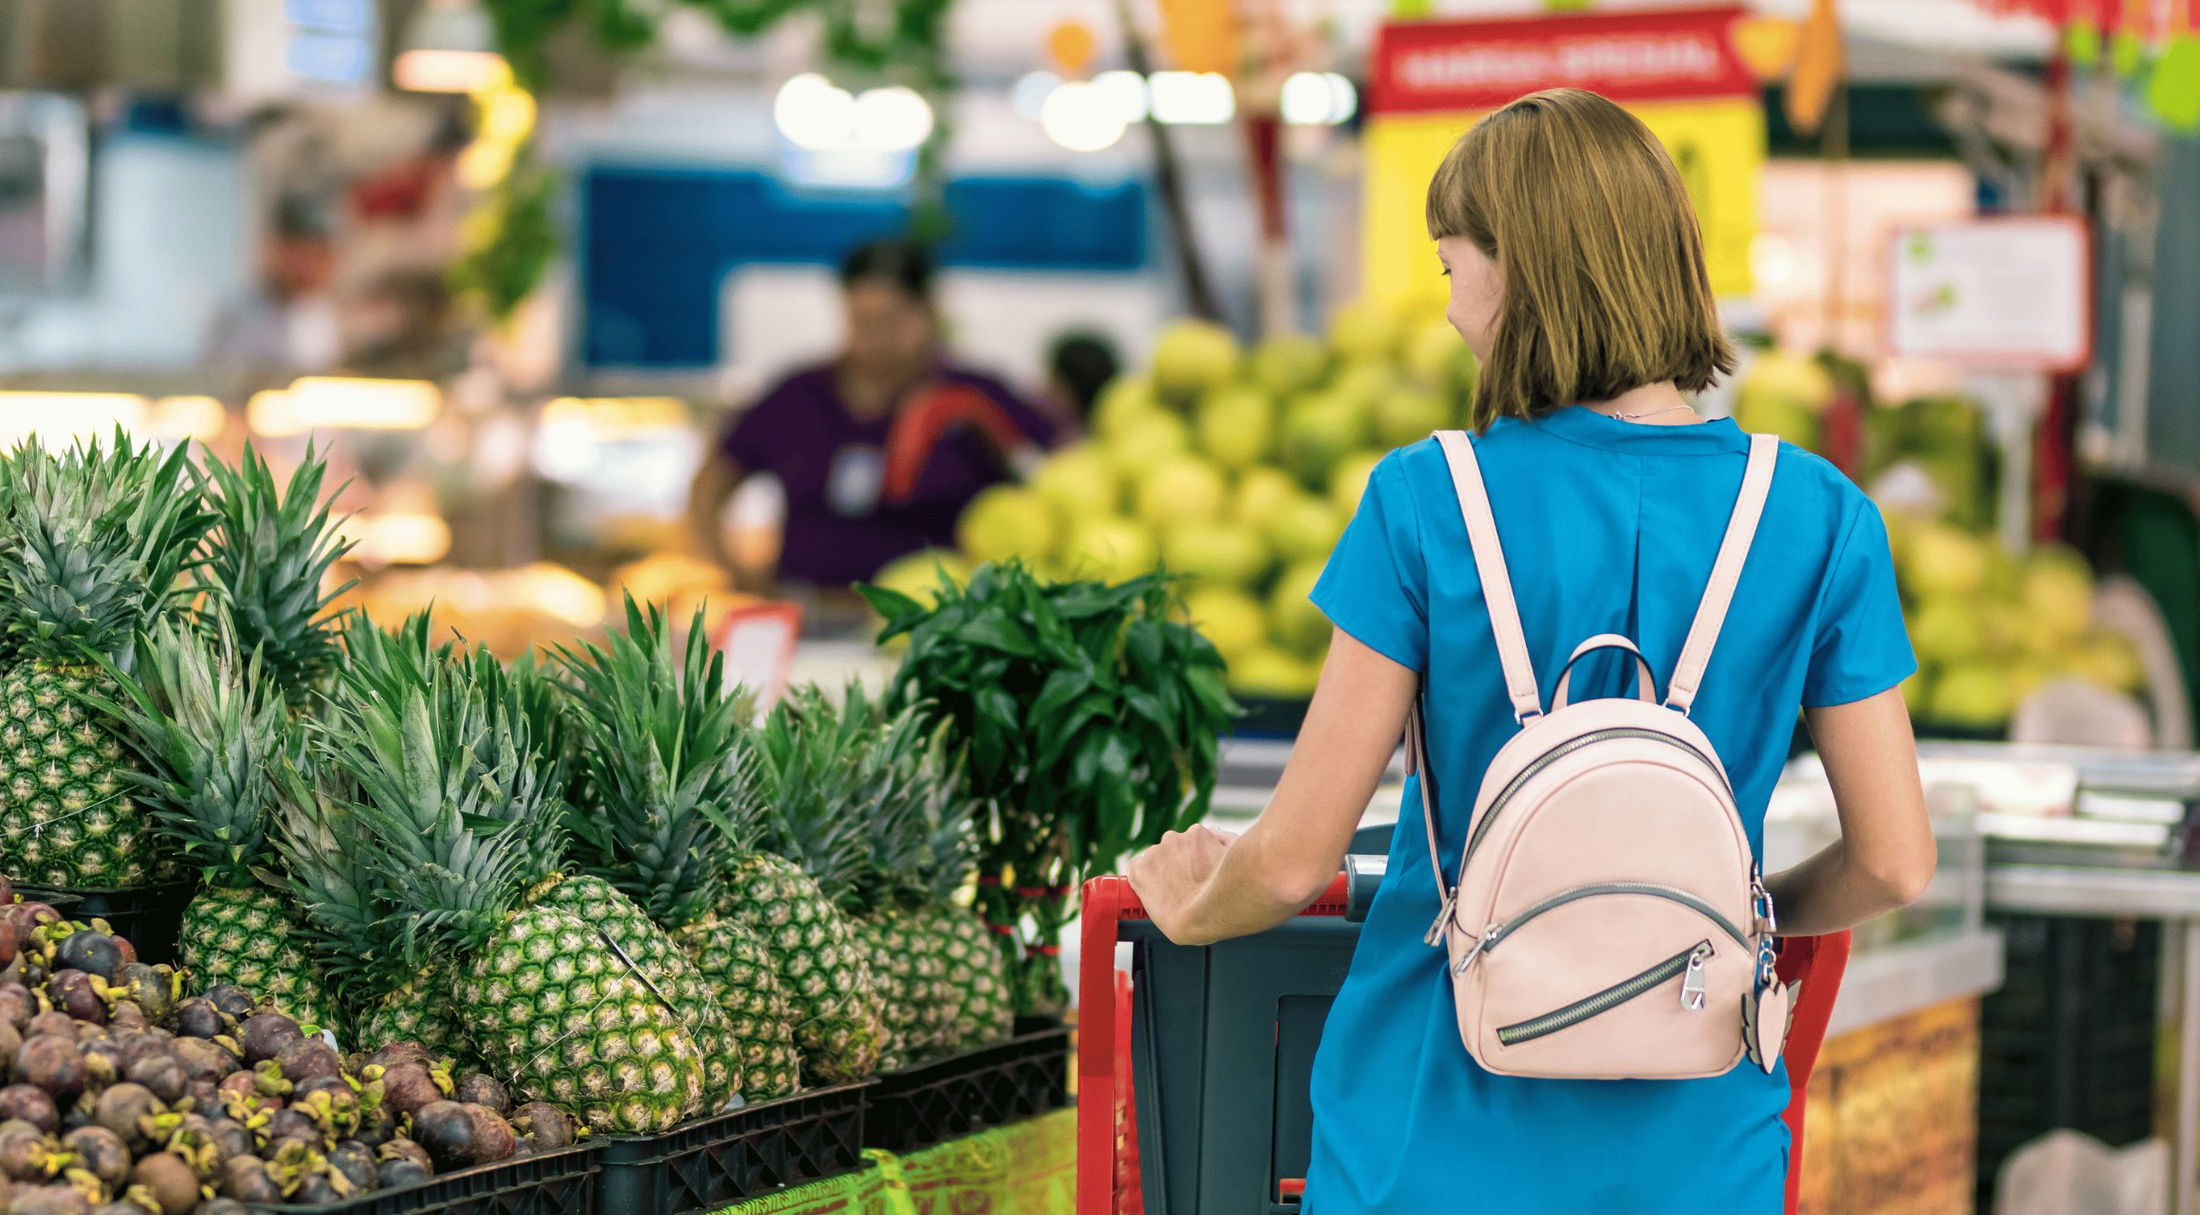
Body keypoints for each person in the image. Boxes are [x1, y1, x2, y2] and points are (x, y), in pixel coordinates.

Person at [1125, 88, 1935, 1213]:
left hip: (1430, 1126)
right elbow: (1895, 863)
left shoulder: (1426, 501)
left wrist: (1186, 903)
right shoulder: (1816, 514)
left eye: (1453, 267)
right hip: (1697, 1143)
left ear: (1521, 273)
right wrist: (1722, 916)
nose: (1451, 309)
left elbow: (1288, 857)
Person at [686, 240, 1062, 590]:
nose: (875, 339)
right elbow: (711, 484)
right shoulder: (797, 396)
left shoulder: (974, 397)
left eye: (891, 321)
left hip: (940, 626)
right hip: (810, 616)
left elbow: (1057, 473)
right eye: (862, 322)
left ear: (928, 313)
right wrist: (736, 575)